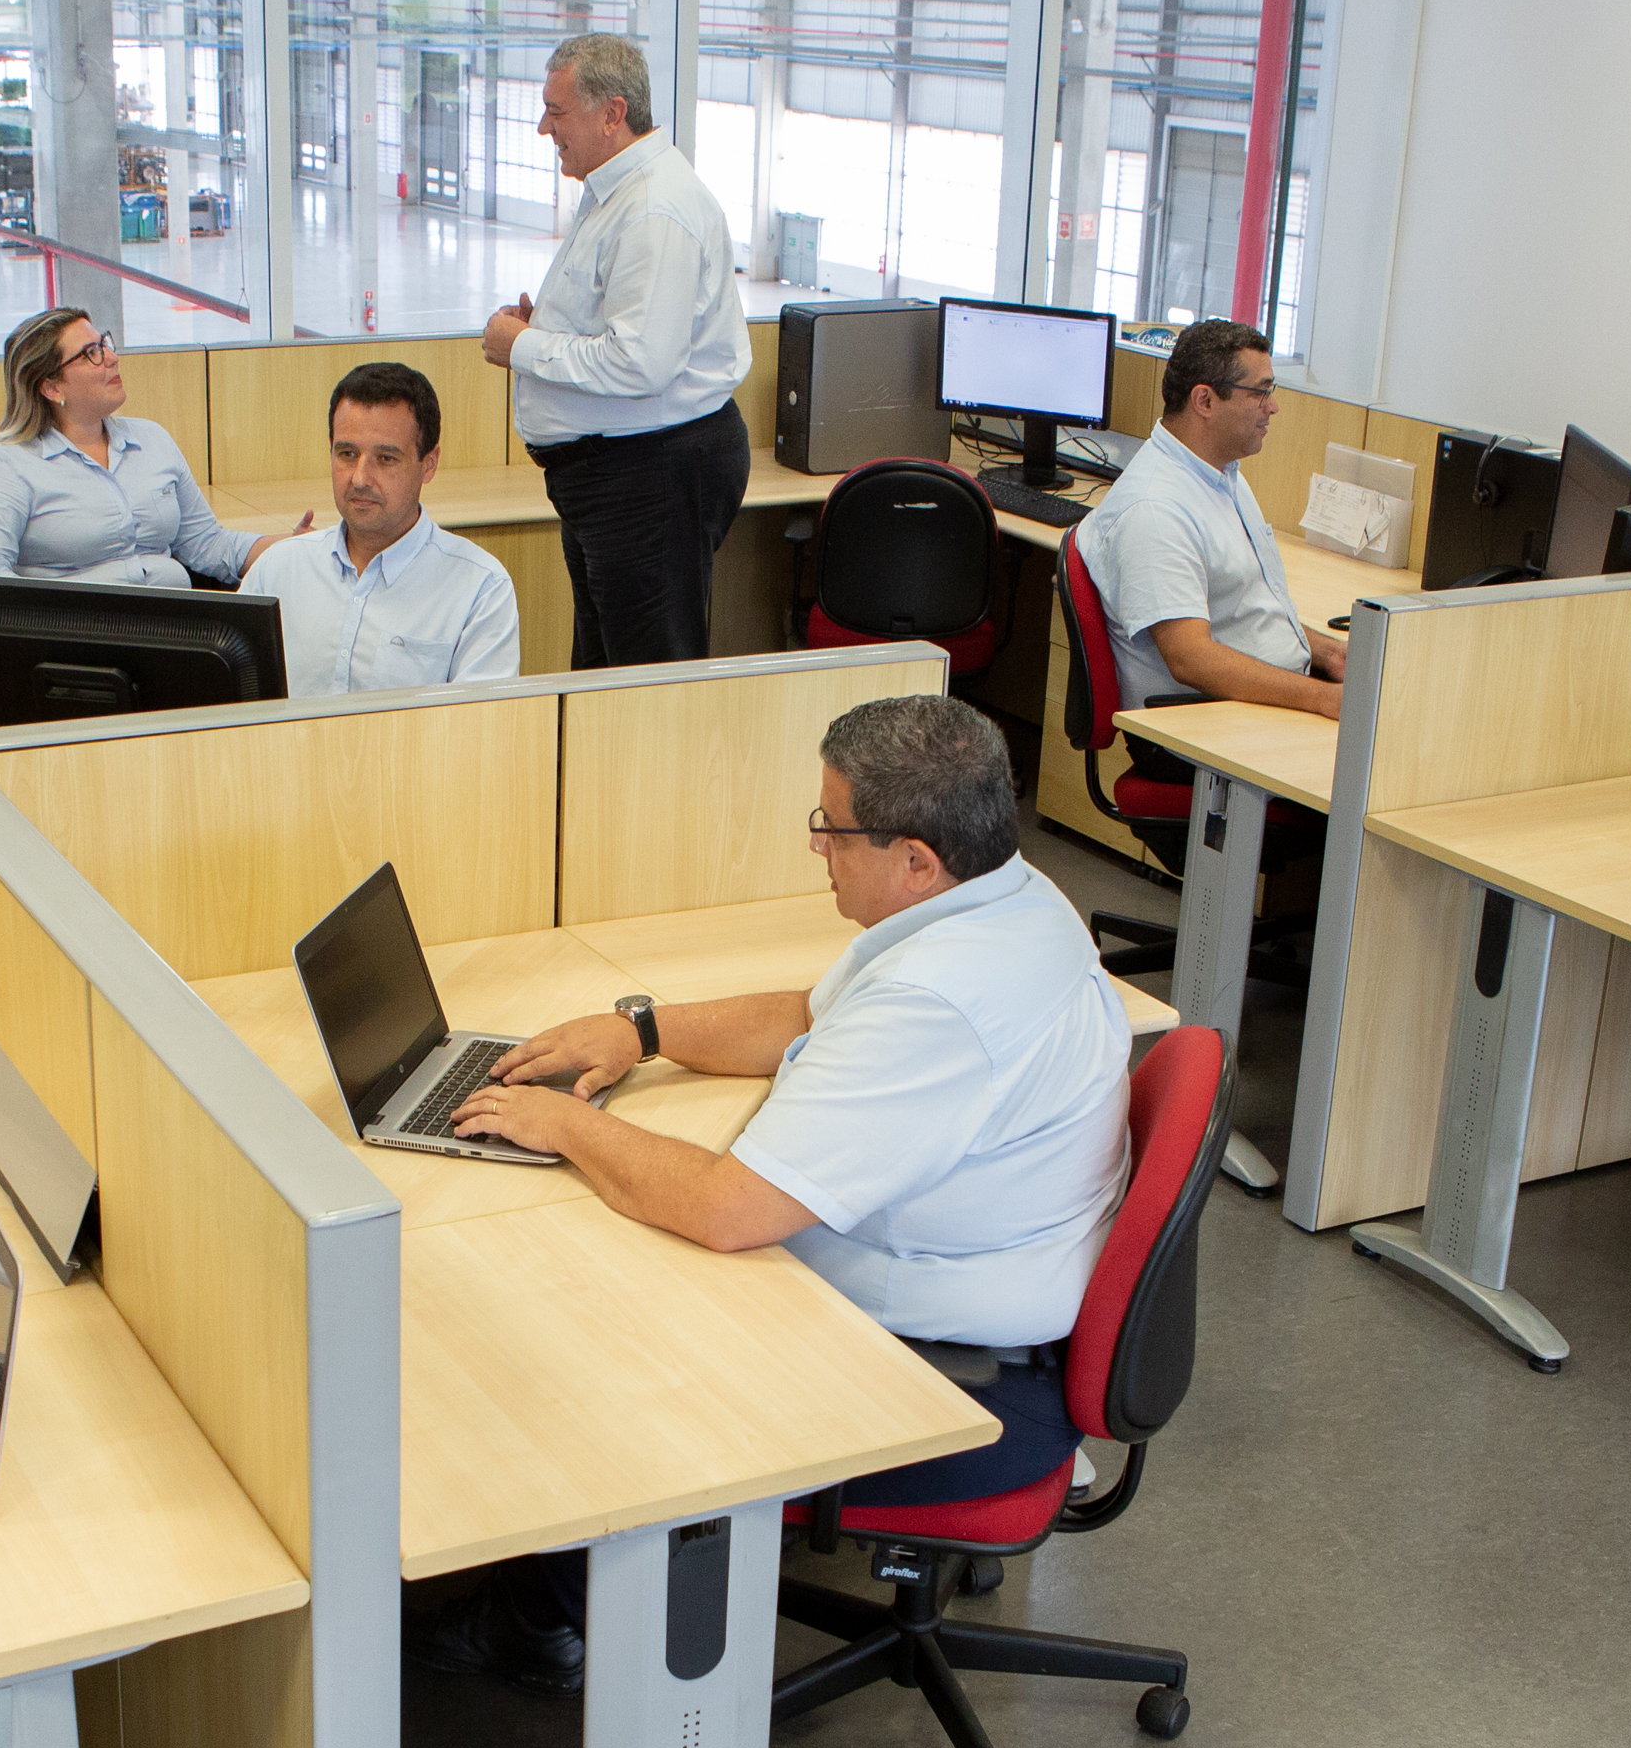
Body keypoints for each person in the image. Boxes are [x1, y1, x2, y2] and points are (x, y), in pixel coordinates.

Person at [411, 695, 1135, 1692]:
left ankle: (547, 1621)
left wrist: (566, 1123)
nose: (819, 849)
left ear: (916, 857)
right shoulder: (1005, 897)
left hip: (957, 1382)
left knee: (588, 1324)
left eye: (831, 829)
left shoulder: (942, 1000)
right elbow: (815, 1014)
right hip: (991, 1304)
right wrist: (644, 1032)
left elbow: (727, 1209)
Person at [482, 32, 753, 669]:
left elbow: (640, 363)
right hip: (617, 472)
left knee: (644, 680)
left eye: (557, 111)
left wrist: (524, 346)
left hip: (650, 474)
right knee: (606, 670)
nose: (544, 127)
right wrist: (543, 326)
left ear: (613, 113)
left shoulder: (656, 208)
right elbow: (620, 326)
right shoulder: (618, 191)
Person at [1067, 319, 1347, 719]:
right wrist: (1320, 698)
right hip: (1205, 724)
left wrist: (1328, 652)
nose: (1273, 406)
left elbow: (1242, 614)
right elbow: (1191, 659)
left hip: (1252, 703)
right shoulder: (1156, 509)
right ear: (1205, 401)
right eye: (1260, 392)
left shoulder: (1220, 475)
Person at [0, 308, 305, 587]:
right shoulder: (10, 465)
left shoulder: (152, 440)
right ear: (51, 387)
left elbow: (206, 544)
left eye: (105, 344)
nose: (112, 358)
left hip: (175, 628)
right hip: (78, 644)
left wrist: (293, 547)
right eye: (91, 353)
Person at [239, 360, 519, 698]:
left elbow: (479, 728)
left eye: (386, 459)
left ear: (428, 465)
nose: (359, 478)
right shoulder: (277, 570)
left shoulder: (480, 588)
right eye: (347, 453)